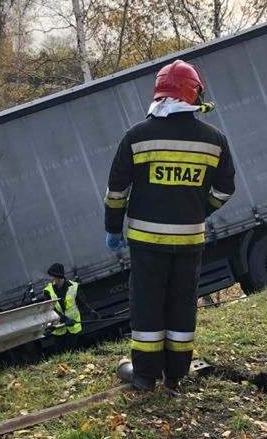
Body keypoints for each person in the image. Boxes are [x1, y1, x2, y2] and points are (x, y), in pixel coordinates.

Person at [104, 59, 237, 391]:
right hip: (190, 241)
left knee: (147, 306)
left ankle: (145, 376)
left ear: (159, 93)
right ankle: (175, 374)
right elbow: (224, 189)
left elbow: (116, 191)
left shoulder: (136, 136)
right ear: (193, 95)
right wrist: (197, 210)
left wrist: (112, 227)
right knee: (181, 306)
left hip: (146, 243)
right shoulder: (214, 140)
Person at [43, 263, 84, 350]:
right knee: (61, 352)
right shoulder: (48, 291)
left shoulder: (74, 286)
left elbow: (81, 303)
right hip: (58, 329)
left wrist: (91, 312)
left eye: (51, 276)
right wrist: (64, 319)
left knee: (73, 350)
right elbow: (50, 310)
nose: (49, 278)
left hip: (73, 327)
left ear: (57, 276)